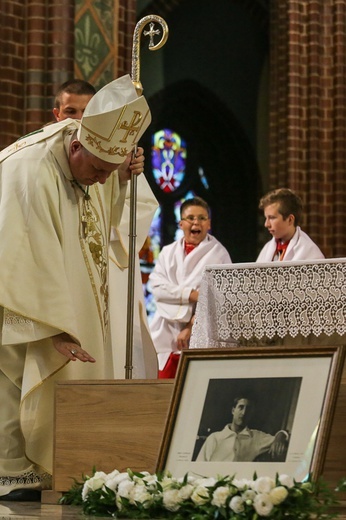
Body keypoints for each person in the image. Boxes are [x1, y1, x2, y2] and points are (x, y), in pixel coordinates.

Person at [0, 74, 154, 500]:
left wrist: (122, 177)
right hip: (17, 299)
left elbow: (105, 214)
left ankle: (60, 468)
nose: (101, 182)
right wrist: (55, 326)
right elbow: (24, 258)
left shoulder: (85, 153)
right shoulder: (28, 174)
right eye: (100, 172)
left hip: (56, 295)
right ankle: (15, 475)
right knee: (17, 371)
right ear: (75, 148)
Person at [51, 79, 159, 380]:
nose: (79, 119)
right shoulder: (48, 161)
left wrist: (123, 180)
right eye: (71, 111)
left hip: (106, 270)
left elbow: (134, 220)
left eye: (86, 112)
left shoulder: (111, 157)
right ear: (56, 114)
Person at [149, 197, 232, 378]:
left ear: (209, 224)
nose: (196, 223)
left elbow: (219, 299)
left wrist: (189, 327)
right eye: (191, 218)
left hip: (200, 332)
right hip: (165, 330)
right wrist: (191, 294)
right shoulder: (168, 252)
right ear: (181, 223)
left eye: (202, 218)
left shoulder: (219, 254)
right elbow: (156, 287)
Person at [196, 395, 289, 462]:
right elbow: (200, 466)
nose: (244, 413)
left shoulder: (255, 437)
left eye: (248, 409)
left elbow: (281, 435)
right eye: (241, 407)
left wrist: (280, 436)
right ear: (233, 410)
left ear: (252, 413)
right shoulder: (215, 437)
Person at [256, 188, 325, 262]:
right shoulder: (267, 248)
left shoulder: (310, 252)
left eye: (272, 218)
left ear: (290, 220)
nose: (266, 224)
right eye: (266, 218)